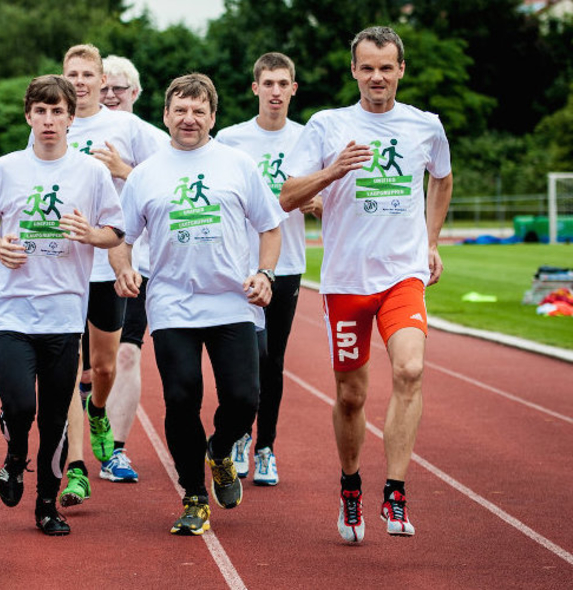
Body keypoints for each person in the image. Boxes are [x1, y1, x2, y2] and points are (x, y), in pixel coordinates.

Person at [279, 26, 453, 542]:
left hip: (403, 274)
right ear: (354, 70)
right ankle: (351, 486)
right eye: (368, 67)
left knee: (410, 369)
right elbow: (288, 196)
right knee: (351, 396)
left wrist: (431, 241)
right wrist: (332, 172)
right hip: (347, 280)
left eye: (386, 67)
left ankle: (395, 491)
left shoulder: (426, 126)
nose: (378, 77)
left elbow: (442, 178)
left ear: (401, 70)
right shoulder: (327, 125)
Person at [118, 73, 285, 536]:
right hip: (172, 302)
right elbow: (121, 236)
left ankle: (220, 450)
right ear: (165, 115)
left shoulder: (238, 165)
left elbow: (271, 227)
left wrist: (265, 274)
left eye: (198, 111)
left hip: (233, 301)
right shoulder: (145, 174)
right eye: (180, 110)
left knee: (244, 399)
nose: (188, 118)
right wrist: (124, 268)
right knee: (181, 397)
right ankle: (194, 496)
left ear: (213, 117)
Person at [0, 75, 130, 536]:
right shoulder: (6, 168)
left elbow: (116, 232)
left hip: (64, 312)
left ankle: (46, 504)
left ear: (70, 117)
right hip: (13, 308)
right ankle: (14, 454)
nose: (48, 120)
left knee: (55, 419)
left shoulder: (91, 173)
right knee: (21, 406)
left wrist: (91, 234)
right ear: (28, 115)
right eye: (40, 111)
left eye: (57, 111)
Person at [54, 45, 167, 506]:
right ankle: (76, 465)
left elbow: (169, 174)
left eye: (88, 75)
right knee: (65, 367)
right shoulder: (53, 121)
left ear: (102, 81)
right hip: (61, 266)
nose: (80, 82)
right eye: (73, 74)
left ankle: (98, 412)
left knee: (105, 366)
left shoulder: (127, 127)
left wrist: (124, 170)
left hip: (111, 263)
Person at [216, 52, 322, 486]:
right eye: (268, 83)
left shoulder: (308, 139)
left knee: (273, 360)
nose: (275, 91)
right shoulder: (230, 139)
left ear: (293, 89)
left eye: (283, 84)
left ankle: (265, 447)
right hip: (239, 265)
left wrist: (317, 204)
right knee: (248, 358)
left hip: (287, 263)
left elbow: (325, 199)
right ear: (255, 88)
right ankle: (240, 436)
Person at [93, 55, 171, 485]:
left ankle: (115, 451)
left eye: (118, 88)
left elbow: (174, 181)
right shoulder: (76, 129)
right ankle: (76, 437)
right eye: (104, 87)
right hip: (81, 264)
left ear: (135, 93)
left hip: (134, 263)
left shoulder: (150, 136)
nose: (110, 95)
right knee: (87, 368)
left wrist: (124, 170)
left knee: (126, 353)